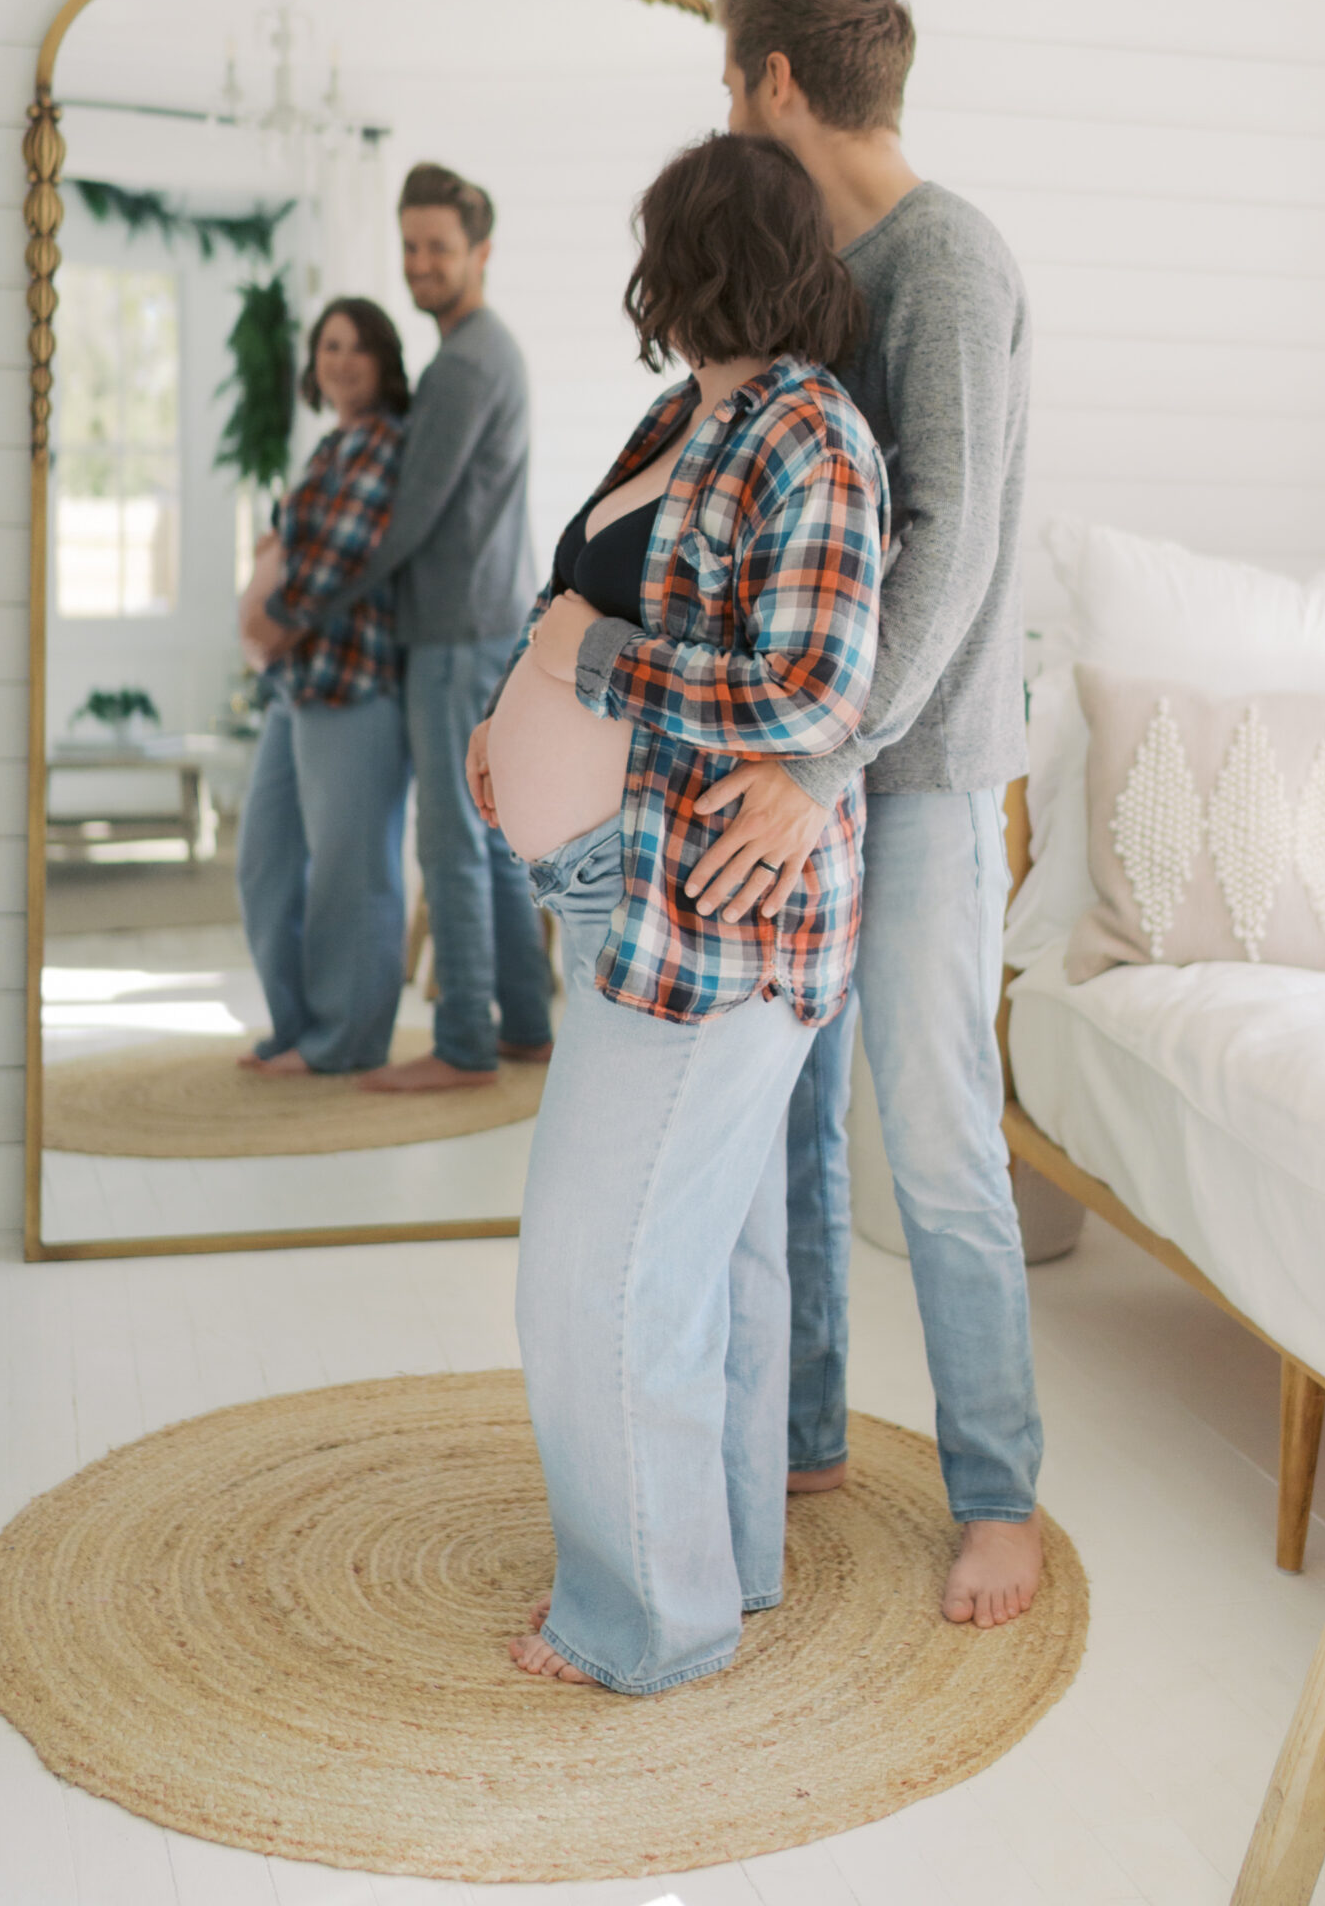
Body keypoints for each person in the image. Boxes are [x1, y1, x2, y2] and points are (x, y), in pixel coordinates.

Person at [469, 132, 887, 1695]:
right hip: (626, 895)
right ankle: (726, 1568)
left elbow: (806, 692)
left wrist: (577, 665)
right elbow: (584, 586)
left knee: (594, 1274)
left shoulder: (811, 437)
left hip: (716, 926)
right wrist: (521, 681)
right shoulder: (684, 412)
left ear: (691, 258)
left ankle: (645, 1621)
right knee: (705, 1261)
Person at [682, 0, 1046, 1631]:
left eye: (723, 76)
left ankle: (998, 1499)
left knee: (939, 1143)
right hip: (823, 781)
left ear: (771, 82)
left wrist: (823, 762)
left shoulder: (945, 263)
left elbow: (949, 551)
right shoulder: (827, 258)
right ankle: (807, 1428)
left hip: (915, 785)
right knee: (799, 1121)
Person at [258, 163, 554, 1091]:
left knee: (450, 841)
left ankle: (465, 1044)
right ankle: (527, 1024)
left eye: (439, 247)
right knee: (487, 832)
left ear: (481, 253)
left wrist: (297, 612)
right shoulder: (476, 352)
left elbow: (405, 522)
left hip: (454, 629)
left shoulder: (466, 362)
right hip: (482, 622)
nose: (422, 262)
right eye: (411, 246)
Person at [234, 298, 412, 1076]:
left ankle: (346, 1042)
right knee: (265, 857)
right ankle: (298, 1025)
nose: (341, 360)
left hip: (353, 684)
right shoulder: (332, 445)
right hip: (298, 684)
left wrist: (275, 619)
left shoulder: (383, 444)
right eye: (329, 346)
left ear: (384, 361)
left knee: (352, 871)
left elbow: (341, 555)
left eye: (358, 348)